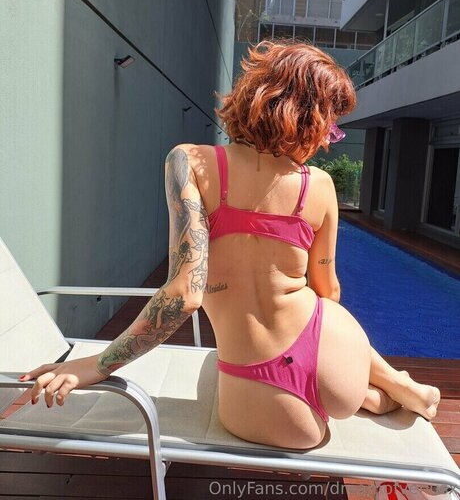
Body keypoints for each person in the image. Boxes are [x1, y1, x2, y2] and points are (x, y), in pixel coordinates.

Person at [20, 40, 441, 450]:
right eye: (328, 125)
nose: (328, 140)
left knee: (300, 411)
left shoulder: (189, 161)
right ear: (303, 118)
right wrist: (334, 368)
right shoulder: (320, 186)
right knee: (329, 333)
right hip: (334, 351)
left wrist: (97, 365)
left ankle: (384, 390)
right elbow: (327, 292)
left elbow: (184, 294)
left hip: (263, 393)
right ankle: (389, 388)